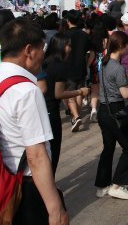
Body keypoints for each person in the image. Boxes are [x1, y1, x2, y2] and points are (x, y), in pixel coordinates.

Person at [0, 17, 68, 225]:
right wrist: (55, 209)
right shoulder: (27, 91)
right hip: (24, 188)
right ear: (29, 50)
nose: (43, 55)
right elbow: (36, 156)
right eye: (43, 48)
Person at [94, 31, 128, 200]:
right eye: (127, 46)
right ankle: (117, 185)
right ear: (122, 47)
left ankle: (102, 186)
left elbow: (112, 82)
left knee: (108, 148)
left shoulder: (104, 62)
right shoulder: (118, 67)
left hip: (104, 109)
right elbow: (125, 94)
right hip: (116, 111)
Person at [38, 32, 90, 175]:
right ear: (60, 46)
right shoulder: (59, 66)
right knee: (53, 153)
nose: (70, 48)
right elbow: (59, 94)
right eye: (68, 45)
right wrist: (80, 92)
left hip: (41, 110)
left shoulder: (45, 61)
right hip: (51, 112)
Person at [65, 10, 94, 132]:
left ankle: (75, 116)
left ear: (68, 21)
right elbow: (92, 53)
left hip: (68, 68)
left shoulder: (64, 34)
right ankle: (76, 116)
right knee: (79, 92)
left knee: (70, 92)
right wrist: (87, 65)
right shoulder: (85, 35)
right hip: (81, 66)